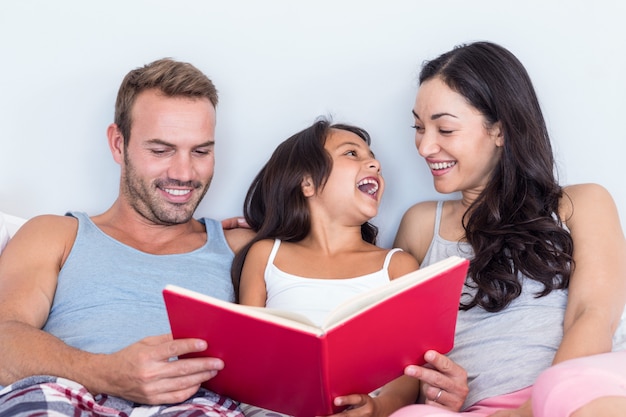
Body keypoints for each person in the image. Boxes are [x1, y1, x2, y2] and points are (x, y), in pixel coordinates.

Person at [0, 58, 253, 416]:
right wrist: (108, 373)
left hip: (192, 406)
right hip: (66, 396)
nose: (184, 173)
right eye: (161, 150)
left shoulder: (241, 248)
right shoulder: (55, 235)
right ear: (119, 144)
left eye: (201, 151)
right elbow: (3, 338)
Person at [389, 41, 626, 417]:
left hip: (573, 393)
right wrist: (434, 392)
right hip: (476, 410)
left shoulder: (582, 203)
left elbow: (592, 314)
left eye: (445, 129)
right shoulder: (420, 225)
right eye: (418, 127)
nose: (424, 146)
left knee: (565, 390)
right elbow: (403, 353)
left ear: (500, 130)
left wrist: (530, 409)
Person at [231, 118, 421, 417]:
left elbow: (408, 372)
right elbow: (250, 353)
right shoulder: (266, 255)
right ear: (307, 182)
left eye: (373, 159)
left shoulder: (397, 267)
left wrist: (378, 408)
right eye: (352, 153)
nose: (374, 164)